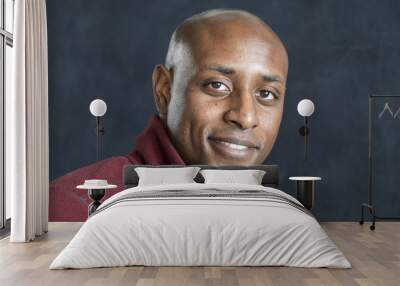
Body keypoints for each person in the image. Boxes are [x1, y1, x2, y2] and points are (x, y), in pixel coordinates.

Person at [50, 9, 289, 221]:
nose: (246, 117)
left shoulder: (276, 219)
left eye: (266, 94)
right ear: (164, 89)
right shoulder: (71, 209)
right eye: (217, 85)